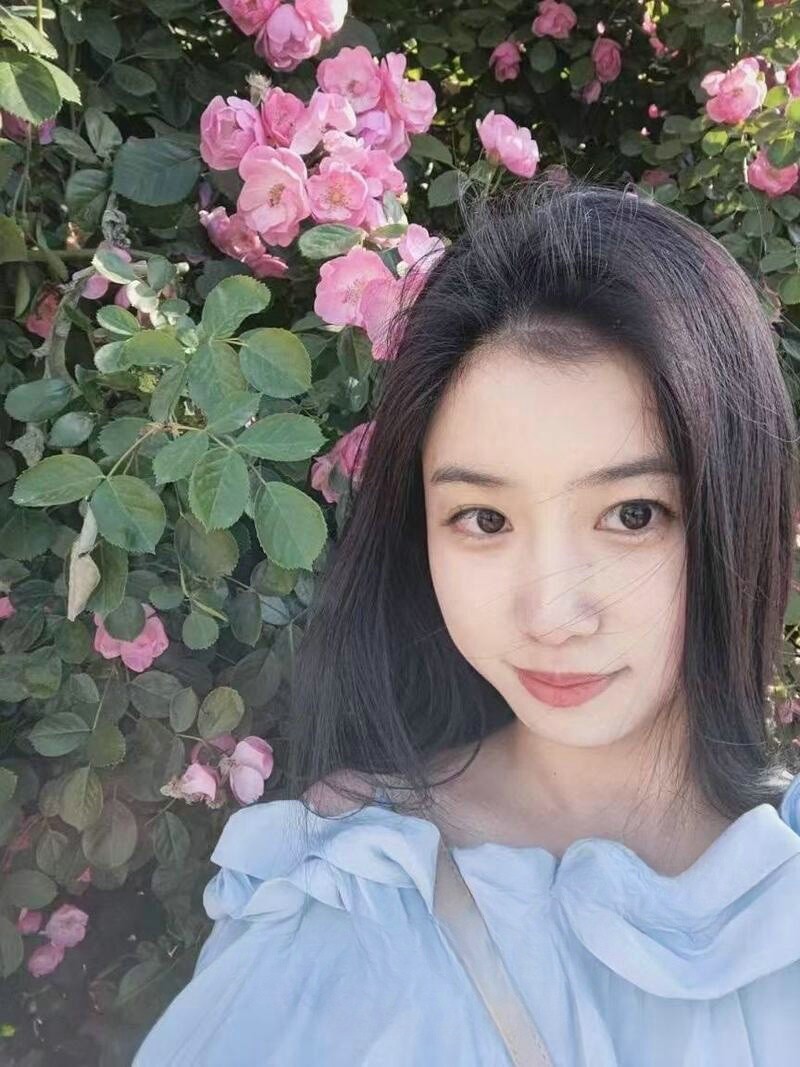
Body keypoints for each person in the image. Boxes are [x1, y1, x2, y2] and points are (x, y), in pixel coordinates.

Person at [133, 176, 800, 1066]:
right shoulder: (352, 905)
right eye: (484, 520)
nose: (552, 614)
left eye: (632, 514)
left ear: (737, 511)